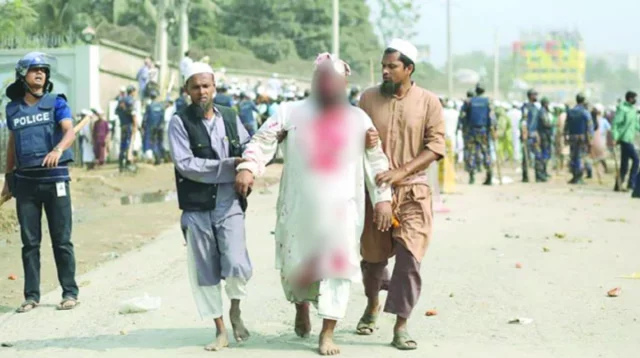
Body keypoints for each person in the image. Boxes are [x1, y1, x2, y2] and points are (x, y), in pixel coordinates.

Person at [235, 53, 393, 356]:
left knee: (338, 267)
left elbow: (376, 161)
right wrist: (248, 167)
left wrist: (383, 200)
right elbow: (262, 141)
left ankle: (327, 332)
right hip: (299, 210)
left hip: (342, 211)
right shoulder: (288, 112)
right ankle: (301, 306)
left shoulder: (358, 119)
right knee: (297, 263)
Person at [356, 39, 445, 350]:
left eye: (392, 66)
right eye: (383, 65)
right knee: (372, 260)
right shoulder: (366, 99)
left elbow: (435, 146)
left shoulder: (429, 102)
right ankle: (371, 305)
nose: (385, 71)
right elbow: (351, 140)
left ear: (409, 69)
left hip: (413, 191)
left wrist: (401, 171)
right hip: (374, 192)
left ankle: (401, 324)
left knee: (410, 257)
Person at [168, 62, 252, 352]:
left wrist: (248, 168)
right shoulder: (179, 122)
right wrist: (230, 167)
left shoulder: (230, 116)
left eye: (206, 85)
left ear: (214, 87)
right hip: (196, 208)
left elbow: (247, 146)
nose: (202, 91)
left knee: (237, 263)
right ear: (187, 90)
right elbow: (186, 165)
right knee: (205, 271)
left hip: (229, 202)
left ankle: (236, 309)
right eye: (195, 86)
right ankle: (220, 330)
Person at [1, 52, 80, 313]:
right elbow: (12, 143)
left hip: (55, 179)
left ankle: (69, 292)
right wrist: (8, 177)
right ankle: (31, 296)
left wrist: (57, 150)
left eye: (43, 70)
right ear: (22, 75)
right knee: (29, 242)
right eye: (34, 70)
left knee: (61, 239)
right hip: (25, 183)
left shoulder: (57, 102)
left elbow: (69, 130)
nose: (40, 74)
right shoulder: (12, 108)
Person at [462, 83, 493, 185]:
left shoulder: (469, 101)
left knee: (471, 152)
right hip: (483, 130)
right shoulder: (488, 102)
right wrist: (492, 129)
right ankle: (489, 174)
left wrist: (465, 127)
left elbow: (463, 116)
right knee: (486, 152)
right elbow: (492, 117)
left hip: (471, 131)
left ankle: (472, 176)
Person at [612, 91, 639, 192]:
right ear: (630, 98)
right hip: (624, 139)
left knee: (624, 164)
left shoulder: (632, 110)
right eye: (634, 98)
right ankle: (631, 183)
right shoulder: (622, 109)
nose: (636, 100)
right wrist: (615, 137)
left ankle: (618, 184)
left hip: (629, 139)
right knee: (636, 160)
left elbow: (635, 124)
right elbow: (615, 124)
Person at [564, 93, 593, 184]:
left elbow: (566, 126)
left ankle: (574, 176)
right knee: (581, 157)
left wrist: (565, 136)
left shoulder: (571, 111)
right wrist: (590, 139)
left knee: (573, 156)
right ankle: (579, 177)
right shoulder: (585, 112)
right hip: (582, 138)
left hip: (572, 137)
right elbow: (589, 126)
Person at [521, 89, 541, 182]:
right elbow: (524, 121)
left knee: (538, 155)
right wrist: (524, 132)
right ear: (530, 96)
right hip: (528, 135)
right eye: (535, 95)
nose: (536, 97)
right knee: (526, 157)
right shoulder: (526, 107)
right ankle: (525, 176)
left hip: (535, 135)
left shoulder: (535, 108)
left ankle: (539, 175)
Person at [116, 85, 138, 172]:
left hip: (122, 125)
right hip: (129, 125)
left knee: (123, 145)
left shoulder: (121, 100)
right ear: (132, 91)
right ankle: (128, 164)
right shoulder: (131, 101)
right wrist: (135, 126)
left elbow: (116, 112)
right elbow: (133, 114)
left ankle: (121, 165)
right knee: (129, 144)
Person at [143, 90, 166, 165]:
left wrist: (143, 126)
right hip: (160, 127)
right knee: (160, 142)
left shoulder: (149, 106)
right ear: (156, 97)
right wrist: (161, 125)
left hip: (152, 127)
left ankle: (157, 158)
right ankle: (162, 157)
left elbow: (145, 117)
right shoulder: (161, 106)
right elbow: (163, 117)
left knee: (153, 142)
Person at [537, 97, 554, 181]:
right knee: (544, 154)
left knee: (547, 154)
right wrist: (552, 125)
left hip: (546, 135)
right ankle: (542, 172)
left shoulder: (545, 112)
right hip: (544, 136)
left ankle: (544, 171)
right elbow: (546, 123)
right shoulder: (542, 112)